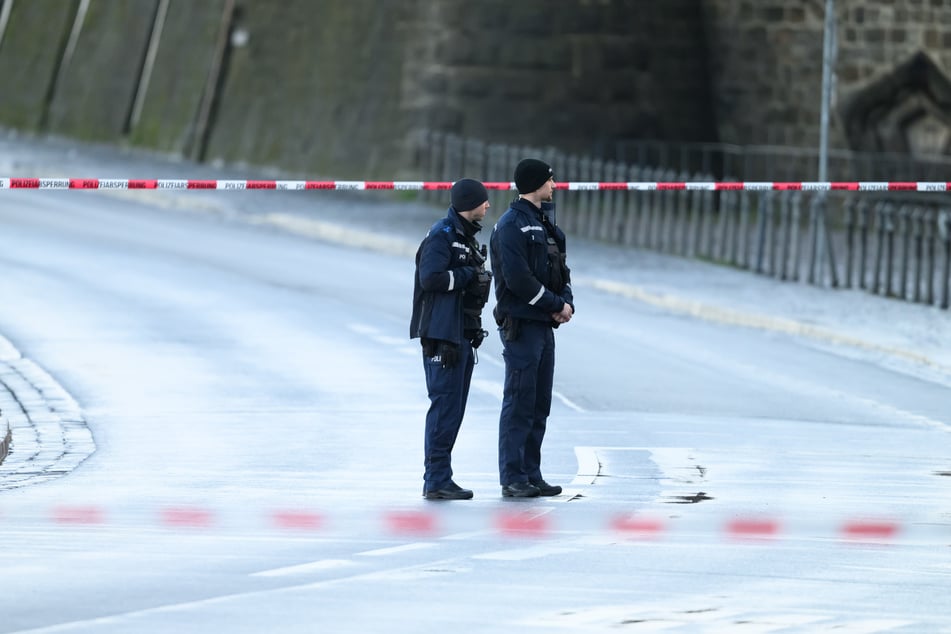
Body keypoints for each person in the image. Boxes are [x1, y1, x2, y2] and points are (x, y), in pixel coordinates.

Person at [490, 158, 574, 498]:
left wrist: (566, 302)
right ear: (535, 183)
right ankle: (513, 477)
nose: (554, 186)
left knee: (540, 403)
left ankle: (531, 472)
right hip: (522, 326)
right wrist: (555, 305)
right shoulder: (510, 226)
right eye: (550, 181)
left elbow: (561, 272)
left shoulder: (546, 225)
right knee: (519, 401)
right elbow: (518, 280)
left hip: (544, 327)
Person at [410, 178, 493, 500]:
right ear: (470, 202)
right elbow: (430, 278)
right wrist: (466, 276)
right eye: (483, 201)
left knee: (454, 409)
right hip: (441, 334)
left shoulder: (465, 238)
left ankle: (442, 477)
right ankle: (435, 480)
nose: (487, 206)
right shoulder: (442, 236)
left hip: (460, 333)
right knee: (445, 407)